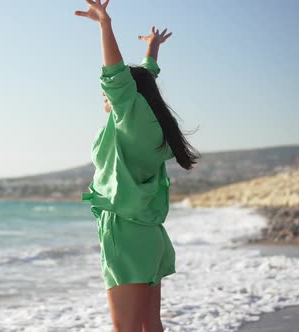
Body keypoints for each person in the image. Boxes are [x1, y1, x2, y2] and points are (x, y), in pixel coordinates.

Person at [75, 1, 200, 331]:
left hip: (126, 235)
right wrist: (152, 51)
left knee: (127, 329)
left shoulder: (130, 117)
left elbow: (116, 77)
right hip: (149, 236)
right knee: (150, 325)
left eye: (111, 94)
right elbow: (146, 78)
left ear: (129, 95)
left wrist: (105, 25)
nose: (105, 96)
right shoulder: (153, 125)